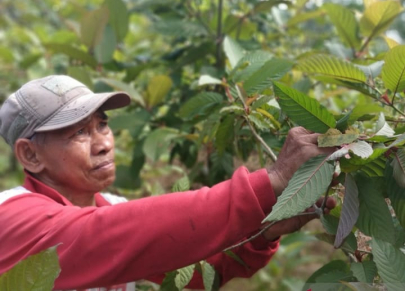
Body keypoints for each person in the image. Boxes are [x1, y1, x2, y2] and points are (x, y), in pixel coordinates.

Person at [0, 75, 335, 291]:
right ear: (30, 156)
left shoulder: (114, 207)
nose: (103, 143)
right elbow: (104, 235)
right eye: (78, 132)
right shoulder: (10, 215)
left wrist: (266, 227)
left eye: (102, 125)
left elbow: (197, 274)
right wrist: (269, 182)